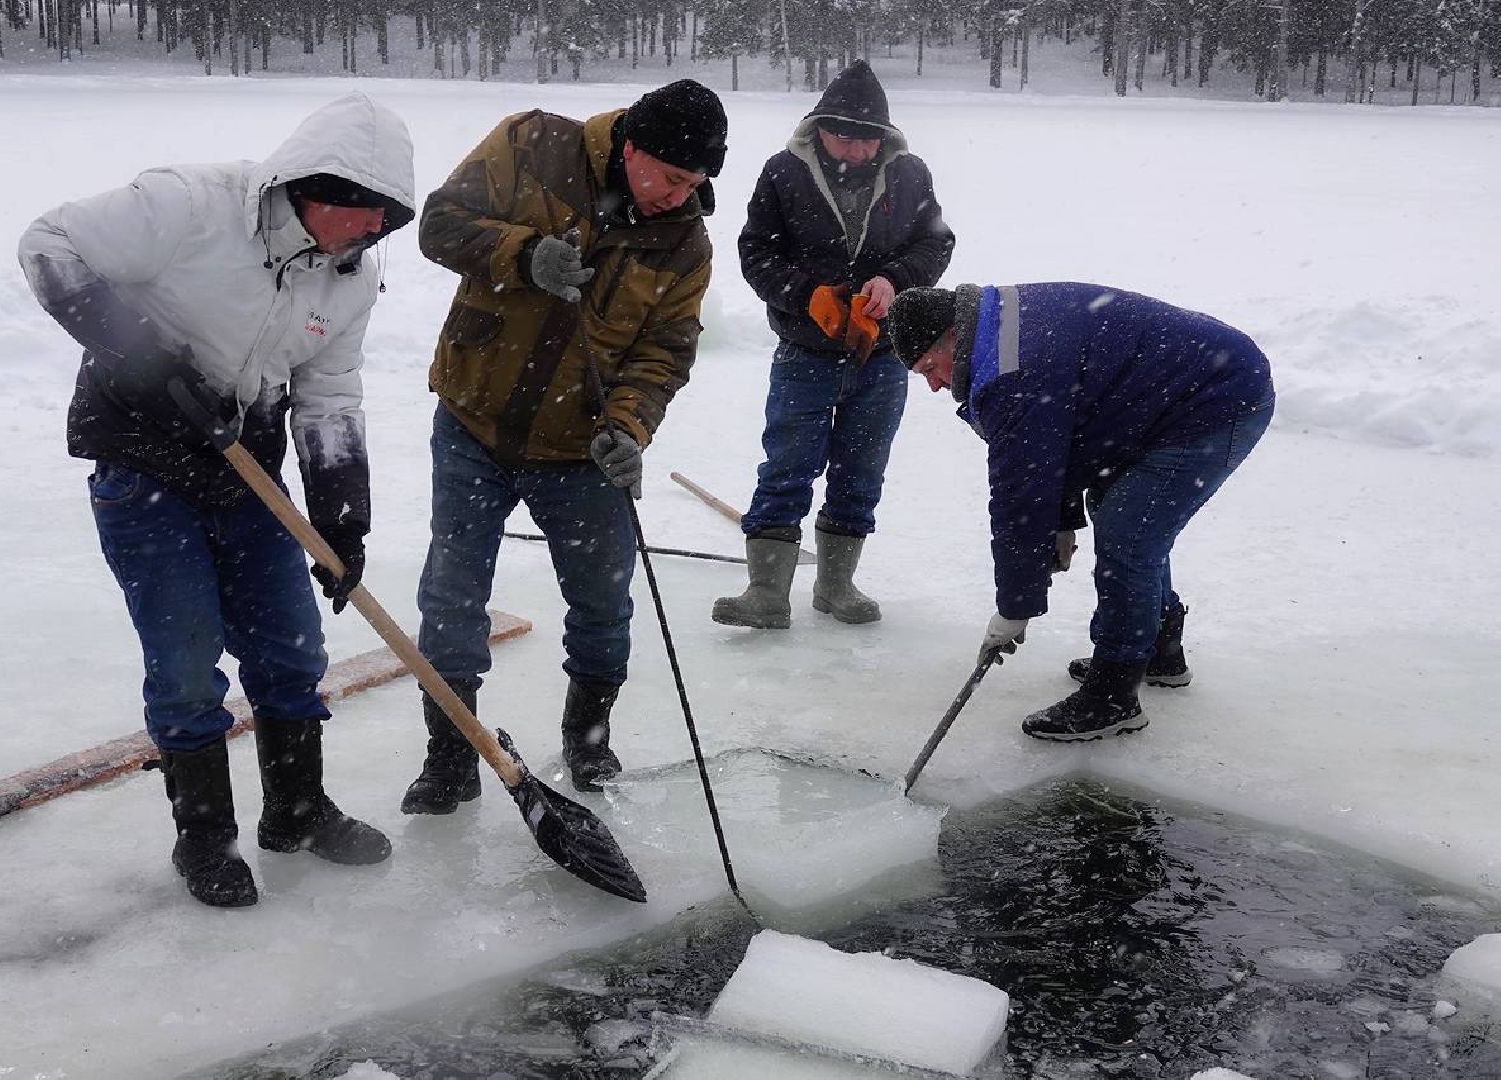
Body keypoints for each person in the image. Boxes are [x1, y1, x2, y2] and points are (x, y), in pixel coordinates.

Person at [17, 93, 417, 908]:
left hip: (247, 468)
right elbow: (48, 245)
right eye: (356, 212)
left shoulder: (350, 276)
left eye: (382, 218)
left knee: (291, 652)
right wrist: (148, 362)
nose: (367, 232)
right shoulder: (192, 206)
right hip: (142, 461)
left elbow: (330, 393)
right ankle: (204, 835)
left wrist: (343, 516)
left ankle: (297, 811)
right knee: (186, 663)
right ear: (305, 187)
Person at [404, 80, 726, 811]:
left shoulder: (684, 243)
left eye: (696, 183)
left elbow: (664, 353)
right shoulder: (533, 144)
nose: (681, 196)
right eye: (673, 177)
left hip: (580, 448)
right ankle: (449, 756)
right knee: (452, 600)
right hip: (473, 425)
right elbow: (439, 224)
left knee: (603, 603)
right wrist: (521, 255)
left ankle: (588, 739)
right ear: (633, 146)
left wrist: (629, 427)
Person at [886, 283, 1275, 742]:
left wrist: (1015, 607)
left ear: (951, 335)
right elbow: (1066, 438)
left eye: (930, 368)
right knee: (1119, 512)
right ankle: (1157, 648)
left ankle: (1114, 696)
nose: (933, 385)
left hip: (1215, 398)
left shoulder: (1010, 372)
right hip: (1159, 396)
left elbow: (1021, 495)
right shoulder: (996, 333)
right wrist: (1065, 518)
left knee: (1129, 533)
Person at [713, 59, 954, 630]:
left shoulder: (911, 175)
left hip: (883, 355)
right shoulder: (783, 172)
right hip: (805, 353)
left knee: (861, 470)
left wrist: (895, 280)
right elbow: (755, 253)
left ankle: (836, 585)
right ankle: (766, 592)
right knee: (786, 467)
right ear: (818, 128)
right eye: (843, 137)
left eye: (867, 141)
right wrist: (804, 294)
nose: (854, 151)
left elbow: (936, 245)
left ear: (884, 139)